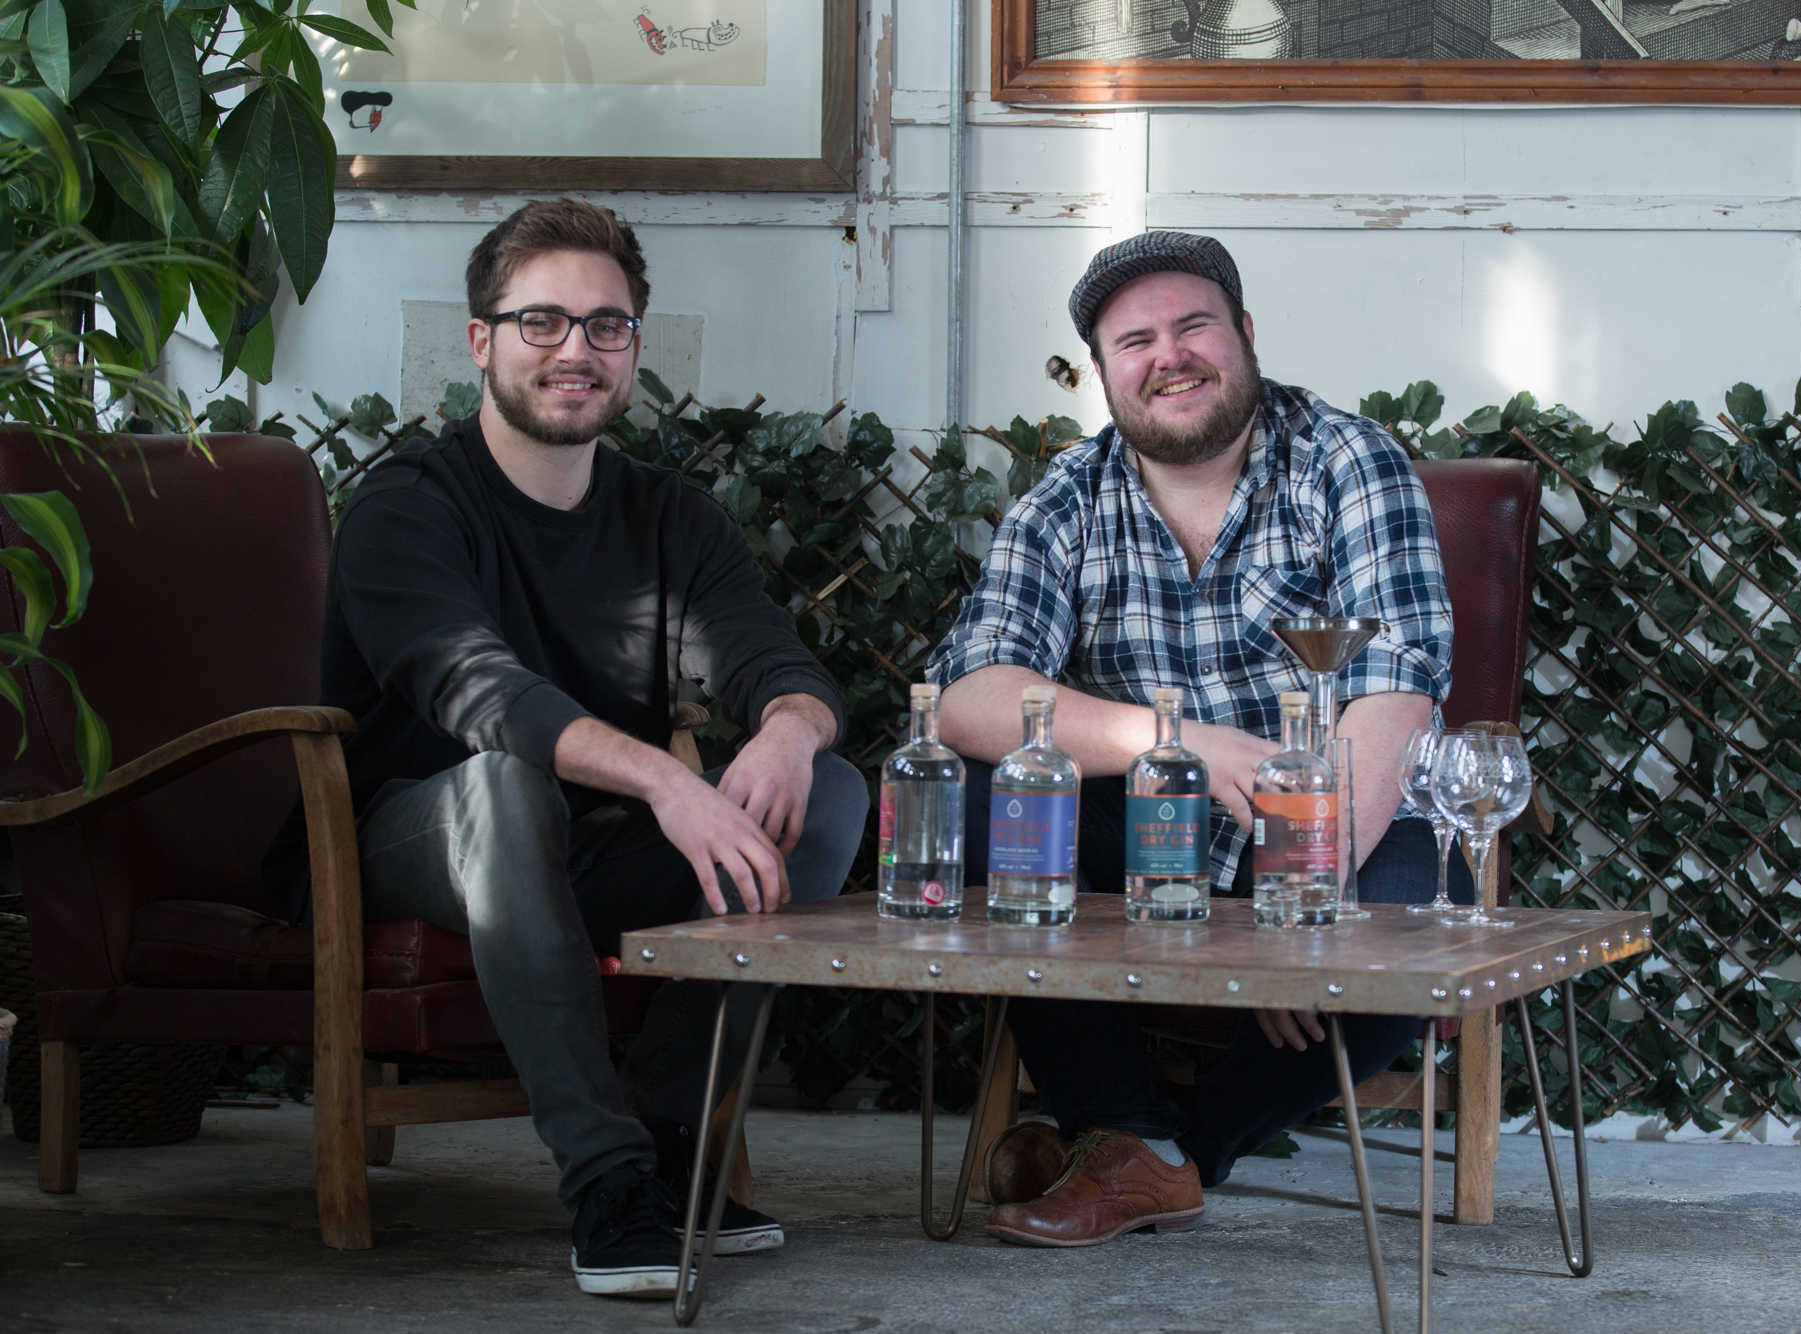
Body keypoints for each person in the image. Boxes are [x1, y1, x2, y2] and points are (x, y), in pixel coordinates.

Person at [262, 198, 867, 1296]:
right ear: (480, 341)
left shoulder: (668, 516)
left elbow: (771, 657)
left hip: (566, 851)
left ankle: (674, 1147)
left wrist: (787, 729)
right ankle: (604, 1182)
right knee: (502, 783)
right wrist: (664, 782)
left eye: (605, 325)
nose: (574, 350)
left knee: (825, 793)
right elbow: (480, 695)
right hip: (390, 847)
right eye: (539, 322)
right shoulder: (405, 506)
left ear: (635, 345)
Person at [928, 230, 1468, 1248]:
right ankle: (1131, 1132)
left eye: (1191, 326)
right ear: (1102, 372)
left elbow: (1391, 698)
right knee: (977, 797)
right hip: (1150, 831)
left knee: (1410, 921)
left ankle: (1159, 1149)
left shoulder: (1344, 459)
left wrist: (1296, 897)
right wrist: (1167, 740)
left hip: (1334, 818)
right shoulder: (1061, 501)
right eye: (1134, 340)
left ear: (1244, 335)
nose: (1165, 355)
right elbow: (972, 696)